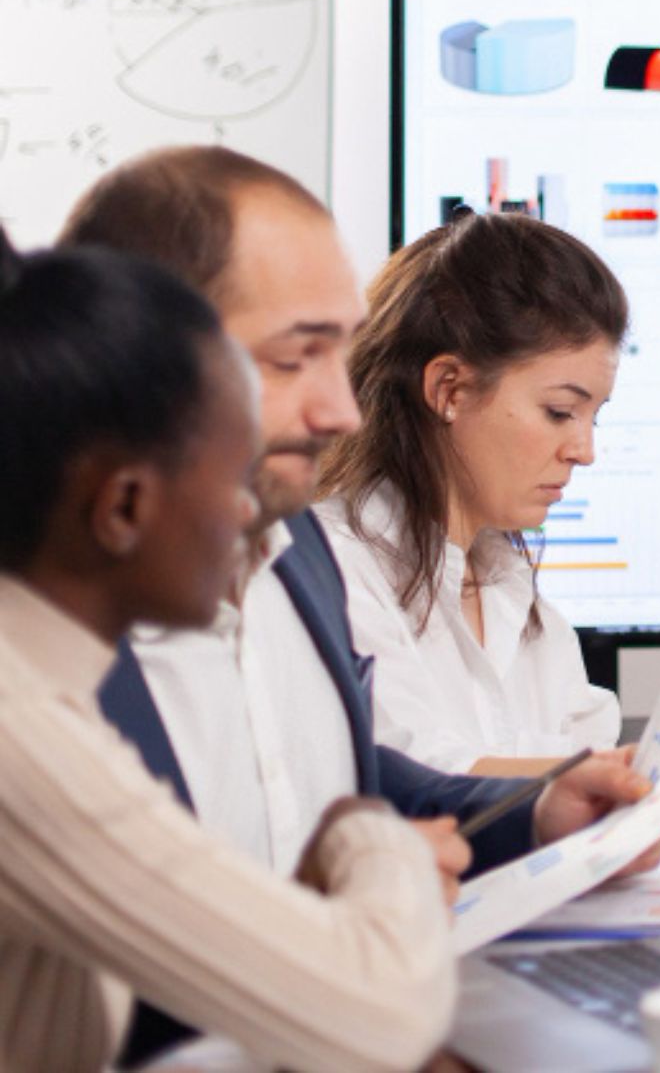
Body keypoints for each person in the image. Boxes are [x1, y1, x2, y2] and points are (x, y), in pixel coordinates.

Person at [62, 149, 650, 866]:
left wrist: (541, 810)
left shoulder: (295, 557)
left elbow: (371, 779)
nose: (343, 411)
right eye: (292, 360)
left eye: (338, 358)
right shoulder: (68, 645)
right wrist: (382, 890)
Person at [0, 225, 456, 1072]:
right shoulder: (20, 731)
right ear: (125, 508)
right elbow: (383, 1018)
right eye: (232, 475)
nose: (254, 515)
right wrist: (368, 835)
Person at [315, 209, 629, 774]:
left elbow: (595, 761)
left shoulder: (513, 589)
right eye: (560, 412)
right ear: (448, 389)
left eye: (592, 417)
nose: (584, 451)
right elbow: (413, 777)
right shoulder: (333, 570)